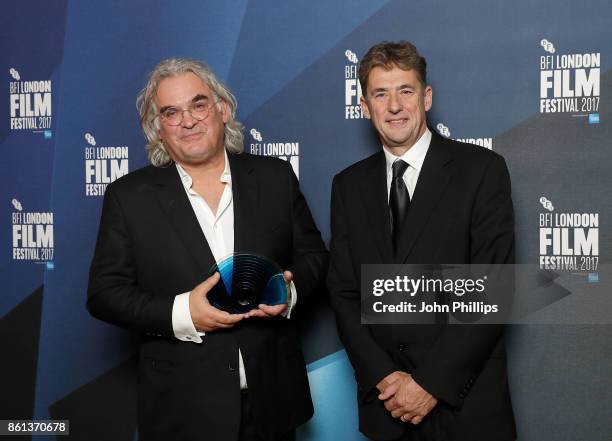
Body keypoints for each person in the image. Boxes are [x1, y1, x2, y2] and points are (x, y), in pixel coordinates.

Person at [87, 58, 328, 441]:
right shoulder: (128, 197)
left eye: (198, 105)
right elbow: (104, 294)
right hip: (182, 410)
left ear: (222, 109)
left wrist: (289, 291)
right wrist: (184, 313)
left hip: (273, 403)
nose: (187, 120)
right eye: (171, 112)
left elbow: (315, 257)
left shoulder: (274, 177)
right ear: (159, 129)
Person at [327, 41, 516, 440]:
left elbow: (491, 292)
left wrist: (428, 384)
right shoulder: (348, 186)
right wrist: (383, 377)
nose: (394, 105)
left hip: (464, 408)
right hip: (386, 408)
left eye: (406, 90)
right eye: (381, 93)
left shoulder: (480, 171)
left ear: (426, 98)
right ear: (365, 106)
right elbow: (344, 294)